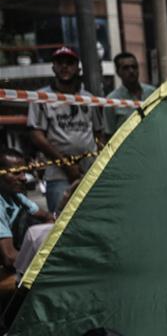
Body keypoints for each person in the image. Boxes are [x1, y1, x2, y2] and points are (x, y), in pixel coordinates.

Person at [27, 47, 104, 214]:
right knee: (61, 223)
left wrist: (98, 164)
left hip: (89, 173)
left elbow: (98, 134)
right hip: (58, 176)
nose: (64, 67)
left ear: (78, 67)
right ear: (53, 67)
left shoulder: (89, 98)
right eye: (59, 63)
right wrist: (67, 165)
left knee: (93, 217)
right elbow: (37, 136)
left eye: (70, 63)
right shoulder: (41, 97)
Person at [0, 149, 53, 290]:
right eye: (16, 173)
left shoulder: (15, 196)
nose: (24, 178)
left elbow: (47, 217)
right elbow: (10, 257)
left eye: (24, 172)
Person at [103, 52, 156, 138]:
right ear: (118, 72)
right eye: (125, 68)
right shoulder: (111, 100)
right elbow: (109, 135)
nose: (131, 71)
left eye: (134, 67)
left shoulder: (152, 92)